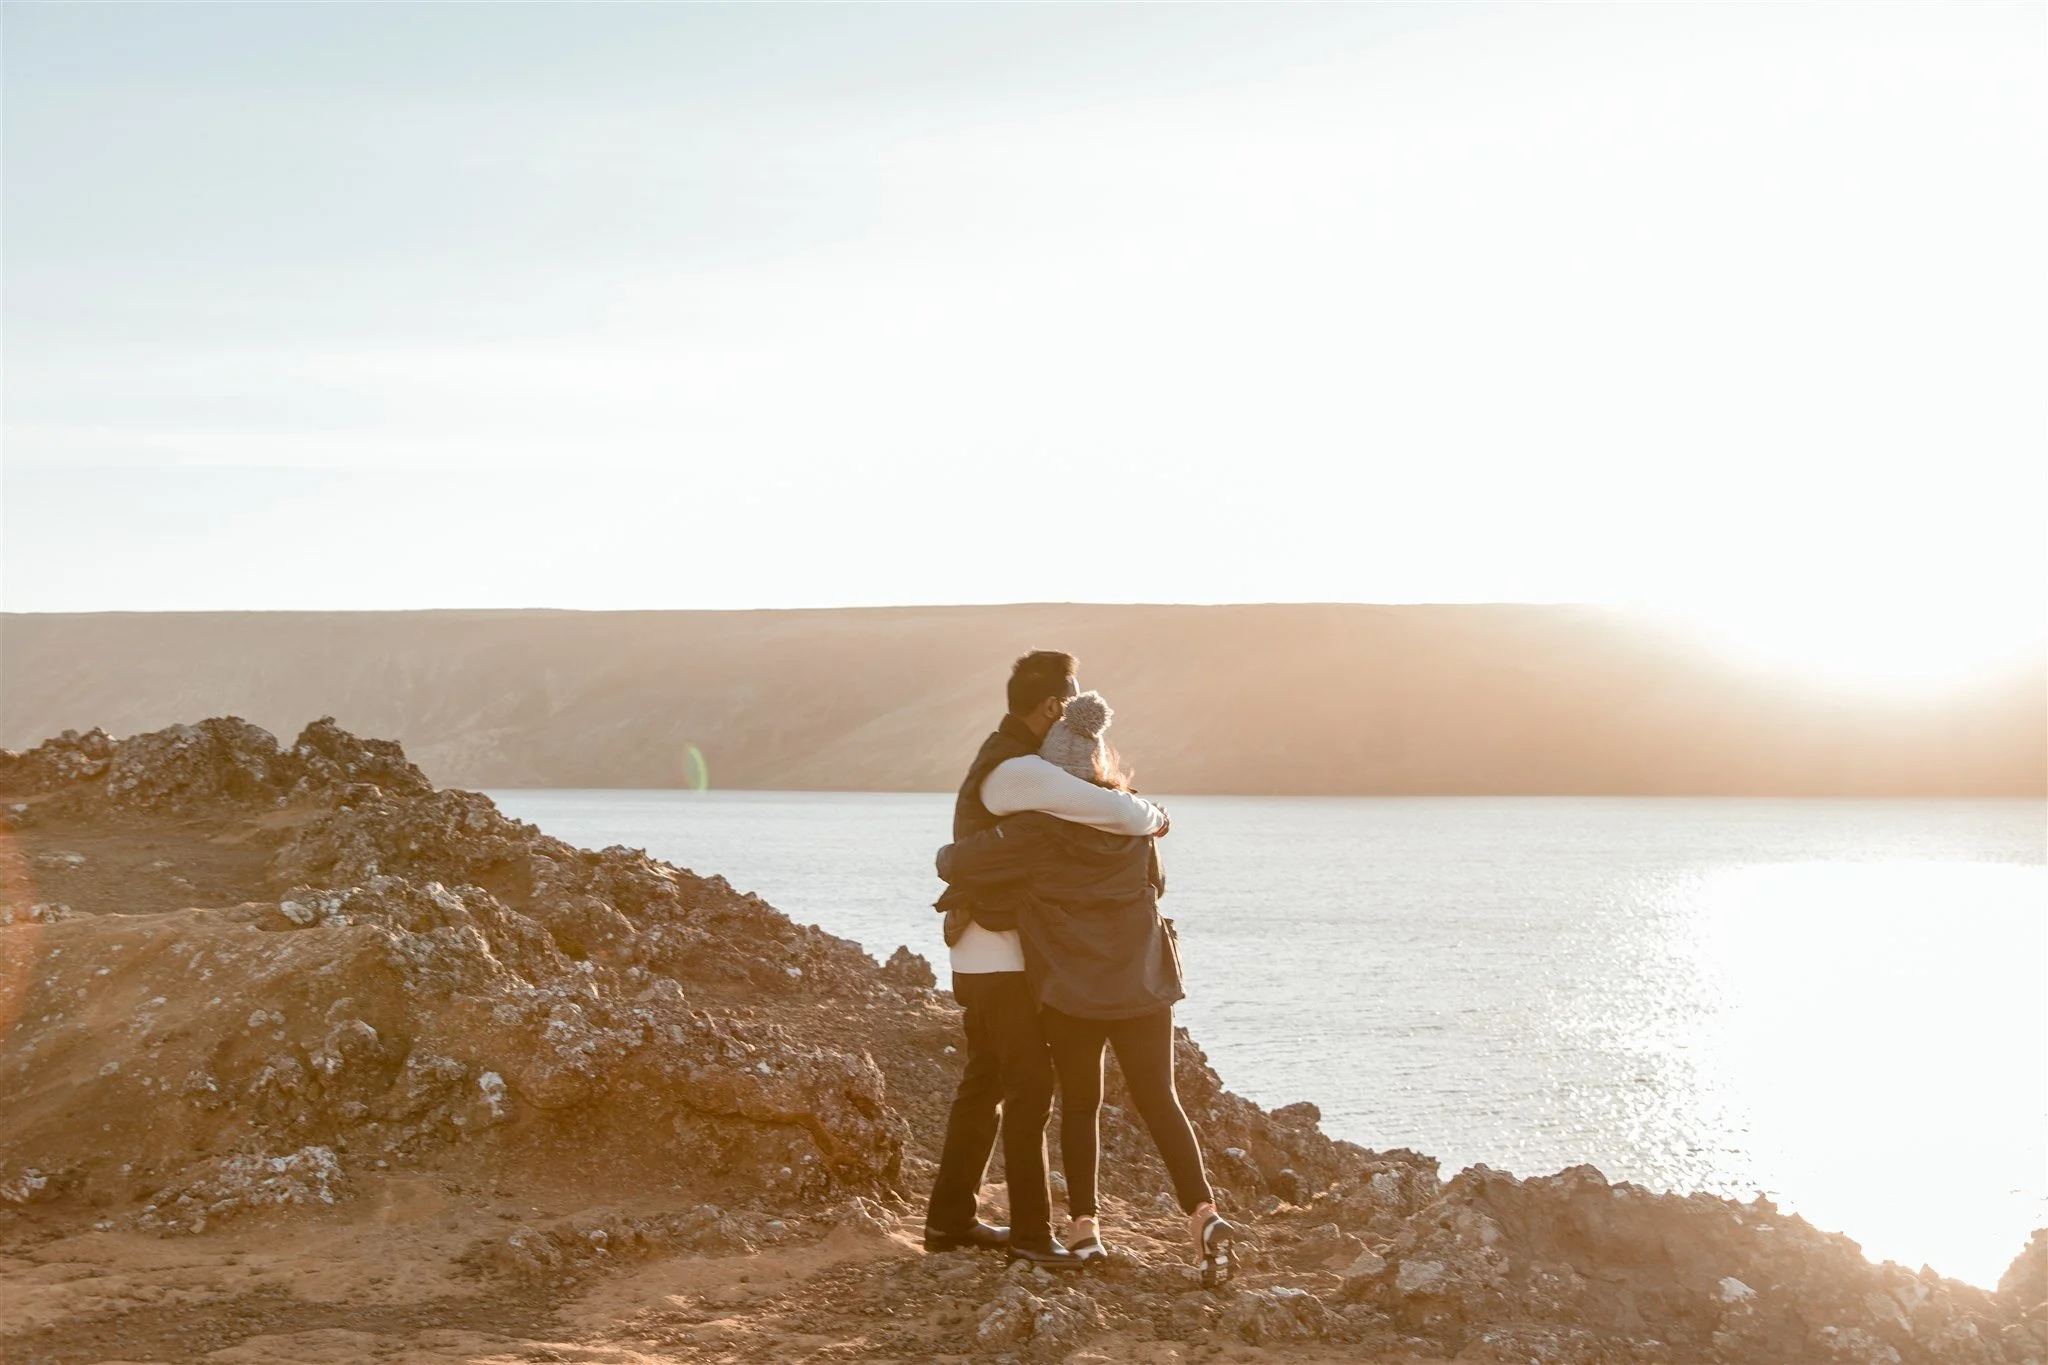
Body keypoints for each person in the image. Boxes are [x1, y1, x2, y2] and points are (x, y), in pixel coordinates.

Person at [935, 689, 1245, 1287]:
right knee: (1161, 1099)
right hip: (1143, 982)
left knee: (1081, 1105)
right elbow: (1157, 888)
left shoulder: (1038, 834)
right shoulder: (1133, 821)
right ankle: (1204, 1215)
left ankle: (1084, 1230)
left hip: (1072, 990)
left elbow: (961, 862)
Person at [922, 651, 1167, 1269]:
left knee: (984, 1086)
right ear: (1056, 707)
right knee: (1030, 1087)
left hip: (986, 952)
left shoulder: (1005, 762)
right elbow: (1111, 809)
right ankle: (1032, 1234)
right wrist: (1158, 818)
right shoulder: (1017, 773)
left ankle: (949, 1223)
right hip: (998, 955)